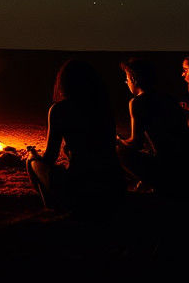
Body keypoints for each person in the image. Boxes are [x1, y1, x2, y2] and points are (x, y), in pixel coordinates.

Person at [27, 59, 124, 213]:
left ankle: (52, 204)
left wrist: (34, 155)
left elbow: (50, 157)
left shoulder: (59, 109)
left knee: (31, 161)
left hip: (80, 189)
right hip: (115, 187)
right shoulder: (104, 107)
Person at [116, 57, 189, 195]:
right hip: (186, 166)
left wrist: (118, 141)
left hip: (165, 169)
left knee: (118, 151)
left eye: (127, 79)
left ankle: (154, 183)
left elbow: (136, 143)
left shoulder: (137, 102)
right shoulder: (168, 98)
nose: (127, 83)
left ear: (133, 79)